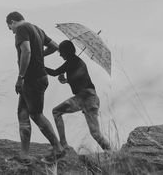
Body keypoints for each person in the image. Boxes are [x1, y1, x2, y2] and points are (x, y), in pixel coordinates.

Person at [6, 11, 66, 164]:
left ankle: (58, 148)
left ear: (12, 22)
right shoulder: (37, 29)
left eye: (9, 27)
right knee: (22, 113)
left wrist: (20, 77)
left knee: (36, 114)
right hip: (38, 78)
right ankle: (24, 155)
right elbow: (55, 47)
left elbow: (26, 50)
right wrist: (39, 55)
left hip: (32, 79)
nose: (11, 31)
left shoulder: (21, 29)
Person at [45, 40, 111, 151]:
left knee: (56, 112)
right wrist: (66, 80)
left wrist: (39, 65)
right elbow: (79, 79)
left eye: (61, 52)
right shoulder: (75, 62)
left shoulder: (72, 61)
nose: (60, 55)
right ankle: (110, 151)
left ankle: (63, 144)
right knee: (95, 133)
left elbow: (54, 72)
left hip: (86, 98)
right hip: (89, 98)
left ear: (67, 51)